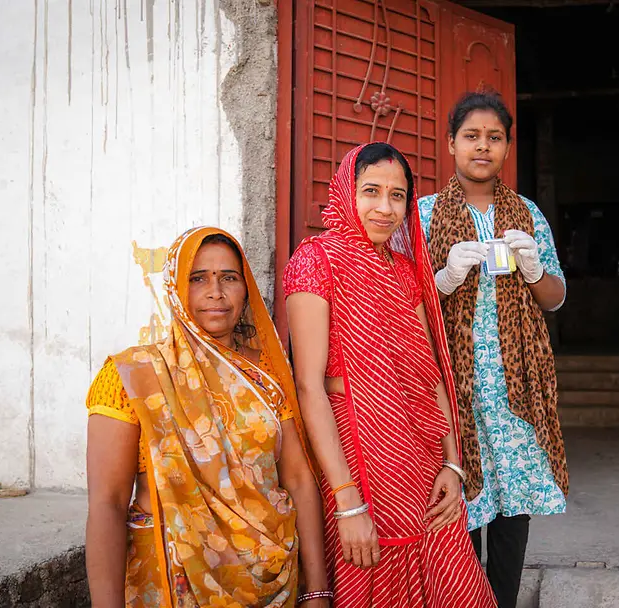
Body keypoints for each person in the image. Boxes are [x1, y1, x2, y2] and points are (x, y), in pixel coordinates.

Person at [283, 143, 496, 607]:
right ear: (346, 190)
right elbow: (309, 386)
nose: (385, 207)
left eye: (397, 195)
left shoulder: (403, 271)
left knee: (452, 574)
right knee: (374, 566)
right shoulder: (315, 261)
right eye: (371, 191)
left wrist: (452, 462)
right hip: (358, 455)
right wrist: (347, 499)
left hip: (420, 455)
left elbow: (429, 373)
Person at [85, 227, 330, 608]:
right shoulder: (133, 376)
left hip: (272, 577)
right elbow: (108, 503)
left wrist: (317, 592)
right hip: (175, 580)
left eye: (229, 278)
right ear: (175, 287)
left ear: (246, 290)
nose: (215, 291)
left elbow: (298, 478)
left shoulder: (266, 377)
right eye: (198, 278)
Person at [418, 91, 569, 608]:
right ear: (451, 143)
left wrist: (534, 270)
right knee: (456, 508)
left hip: (514, 386)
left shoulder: (526, 213)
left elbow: (555, 297)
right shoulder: (421, 215)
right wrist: (443, 278)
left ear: (507, 147)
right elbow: (394, 301)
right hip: (446, 384)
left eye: (494, 137)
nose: (483, 146)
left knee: (511, 509)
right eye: (472, 136)